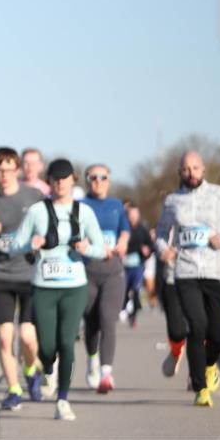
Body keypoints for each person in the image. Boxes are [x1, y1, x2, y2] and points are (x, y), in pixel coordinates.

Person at [8, 158, 106, 421]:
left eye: (65, 178)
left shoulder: (84, 212)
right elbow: (13, 246)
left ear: (73, 180)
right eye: (55, 178)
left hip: (75, 286)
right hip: (43, 287)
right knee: (48, 348)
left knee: (67, 342)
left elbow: (101, 249)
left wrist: (87, 249)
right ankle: (46, 367)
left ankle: (63, 399)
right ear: (49, 181)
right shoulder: (37, 212)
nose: (60, 182)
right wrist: (31, 243)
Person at [155, 151, 220, 407]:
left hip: (216, 273)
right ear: (180, 172)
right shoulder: (173, 201)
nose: (191, 173)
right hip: (186, 273)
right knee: (196, 327)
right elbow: (162, 233)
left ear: (204, 169)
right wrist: (163, 249)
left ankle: (210, 366)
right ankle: (200, 387)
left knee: (215, 332)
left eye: (195, 168)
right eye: (186, 169)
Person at [0, 147, 45, 411]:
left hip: (29, 275)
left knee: (27, 336)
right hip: (1, 276)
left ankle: (31, 370)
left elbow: (50, 228)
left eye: (8, 169)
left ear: (17, 170)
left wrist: (41, 239)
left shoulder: (34, 196)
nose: (4, 175)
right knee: (4, 336)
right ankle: (14, 389)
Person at [79, 164, 130, 393]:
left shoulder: (116, 205)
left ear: (109, 180)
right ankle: (92, 359)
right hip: (88, 272)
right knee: (91, 322)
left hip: (113, 272)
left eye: (103, 177)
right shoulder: (80, 207)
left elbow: (125, 230)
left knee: (108, 318)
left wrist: (123, 241)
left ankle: (106, 373)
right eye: (93, 177)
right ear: (87, 181)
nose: (98, 181)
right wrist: (93, 247)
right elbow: (76, 236)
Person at [122, 202, 154, 328]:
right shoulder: (123, 228)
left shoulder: (142, 229)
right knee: (124, 291)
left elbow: (151, 246)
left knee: (136, 290)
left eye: (136, 215)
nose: (133, 217)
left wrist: (147, 250)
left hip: (138, 265)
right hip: (124, 266)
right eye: (131, 215)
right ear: (127, 215)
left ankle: (133, 316)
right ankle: (123, 308)